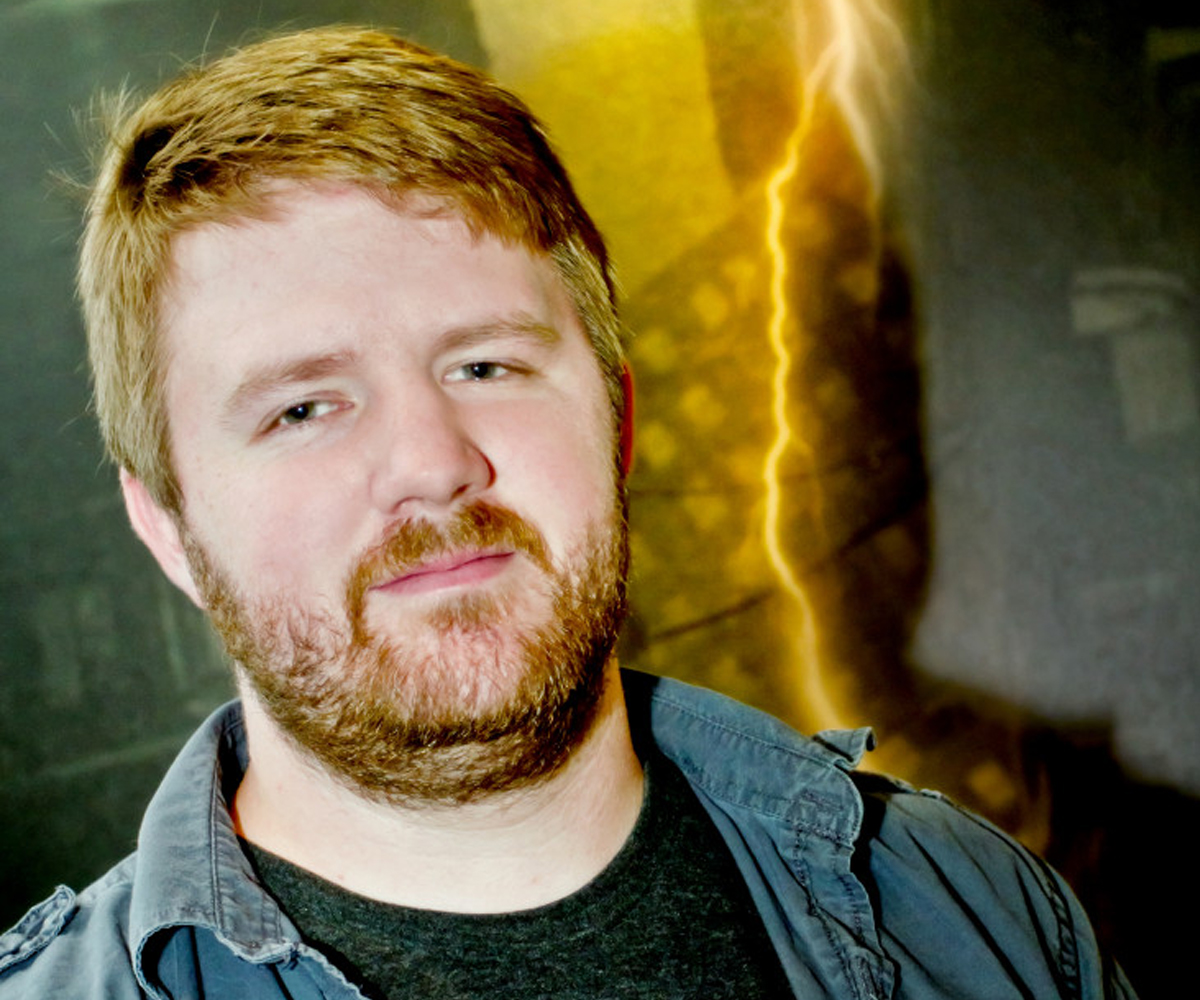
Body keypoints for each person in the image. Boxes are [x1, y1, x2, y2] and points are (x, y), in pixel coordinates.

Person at [0, 25, 1134, 1000]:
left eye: (486, 365)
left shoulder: (979, 917)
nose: (433, 464)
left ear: (618, 420)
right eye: (303, 408)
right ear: (168, 528)